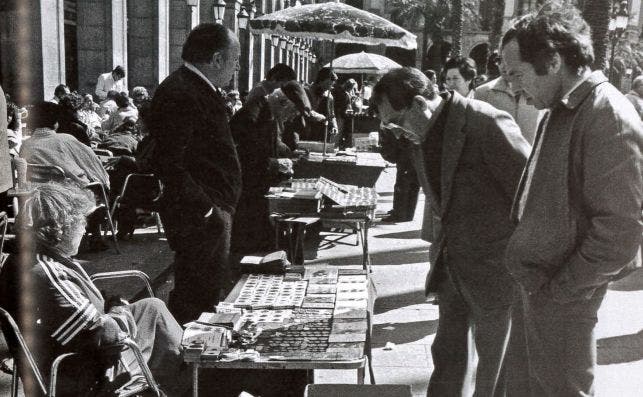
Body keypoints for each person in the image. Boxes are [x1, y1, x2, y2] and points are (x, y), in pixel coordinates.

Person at [501, 4, 642, 395]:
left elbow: (619, 234)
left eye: (517, 74)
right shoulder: (561, 109)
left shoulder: (606, 115)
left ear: (554, 59)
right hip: (540, 289)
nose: (513, 88)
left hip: (561, 300)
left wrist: (561, 292)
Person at [372, 67, 530, 396]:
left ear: (418, 104)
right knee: (447, 357)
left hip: (495, 270)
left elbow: (531, 195)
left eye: (396, 123)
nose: (397, 133)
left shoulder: (485, 122)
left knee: (494, 372)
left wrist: (519, 263)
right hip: (452, 267)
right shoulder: (420, 132)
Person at [0, 182, 188, 396]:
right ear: (61, 229)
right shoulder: (45, 273)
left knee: (152, 307)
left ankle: (183, 370)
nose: (85, 229)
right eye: (82, 222)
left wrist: (112, 307)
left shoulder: (32, 258)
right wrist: (118, 308)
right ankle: (187, 378)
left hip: (74, 355)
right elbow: (104, 335)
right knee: (168, 342)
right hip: (86, 373)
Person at [148, 23, 241, 325]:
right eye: (235, 59)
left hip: (210, 211)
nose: (236, 67)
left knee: (206, 289)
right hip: (200, 214)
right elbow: (168, 162)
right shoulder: (181, 91)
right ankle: (186, 364)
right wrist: (206, 210)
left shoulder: (196, 87)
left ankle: (193, 361)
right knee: (197, 295)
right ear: (216, 59)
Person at [230, 81, 309, 255]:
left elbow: (272, 143)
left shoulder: (270, 112)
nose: (292, 118)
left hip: (259, 188)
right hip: (247, 192)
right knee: (250, 245)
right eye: (293, 112)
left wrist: (288, 154)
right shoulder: (253, 115)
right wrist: (276, 164)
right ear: (283, 102)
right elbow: (244, 157)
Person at [20, 102, 111, 251]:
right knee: (100, 187)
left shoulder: (26, 144)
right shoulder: (65, 140)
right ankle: (95, 235)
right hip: (67, 195)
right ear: (55, 123)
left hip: (36, 193)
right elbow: (91, 161)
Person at [475, 28, 542, 145]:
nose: (504, 65)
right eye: (499, 60)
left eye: (507, 60)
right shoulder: (483, 93)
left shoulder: (541, 92)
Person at [378, 127, 419, 223]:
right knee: (412, 184)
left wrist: (385, 153)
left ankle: (399, 214)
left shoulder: (390, 122)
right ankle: (408, 214)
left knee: (402, 184)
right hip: (412, 151)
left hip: (406, 153)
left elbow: (393, 143)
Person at [303, 67, 338, 142]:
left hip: (323, 133)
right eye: (327, 85)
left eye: (331, 85)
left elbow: (332, 115)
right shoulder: (306, 92)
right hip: (307, 130)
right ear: (321, 81)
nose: (328, 88)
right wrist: (320, 117)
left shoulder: (329, 96)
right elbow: (305, 110)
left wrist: (334, 126)